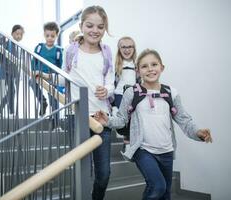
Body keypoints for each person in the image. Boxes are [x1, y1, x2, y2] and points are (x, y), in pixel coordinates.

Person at [94, 49, 212, 200]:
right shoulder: (131, 92)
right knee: (157, 186)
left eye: (154, 64)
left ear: (162, 67)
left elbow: (184, 120)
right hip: (143, 149)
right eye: (144, 66)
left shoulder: (171, 93)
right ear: (138, 71)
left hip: (167, 151)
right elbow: (122, 119)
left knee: (165, 194)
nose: (150, 69)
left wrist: (197, 132)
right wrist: (108, 120)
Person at [64, 6, 115, 200]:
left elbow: (110, 82)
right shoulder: (71, 51)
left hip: (102, 118)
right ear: (81, 26)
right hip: (78, 117)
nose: (95, 30)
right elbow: (65, 77)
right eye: (90, 25)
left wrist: (107, 90)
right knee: (83, 170)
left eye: (100, 27)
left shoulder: (107, 52)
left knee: (103, 175)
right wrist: (44, 75)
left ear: (105, 29)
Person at [29, 22, 63, 116]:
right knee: (31, 82)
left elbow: (60, 65)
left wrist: (56, 77)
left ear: (56, 35)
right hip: (38, 74)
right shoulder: (39, 47)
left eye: (52, 36)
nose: (50, 38)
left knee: (54, 99)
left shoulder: (58, 50)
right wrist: (33, 71)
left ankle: (55, 123)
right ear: (44, 35)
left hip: (51, 77)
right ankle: (42, 101)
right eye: (47, 35)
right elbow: (34, 60)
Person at [113, 36, 137, 152]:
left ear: (134, 48)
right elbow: (112, 83)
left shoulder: (137, 65)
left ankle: (129, 144)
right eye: (123, 47)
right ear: (119, 49)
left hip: (133, 95)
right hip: (119, 95)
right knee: (123, 120)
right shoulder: (116, 65)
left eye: (129, 47)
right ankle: (125, 142)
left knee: (133, 120)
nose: (127, 50)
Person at [0, 24, 24, 117]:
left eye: (21, 34)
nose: (19, 36)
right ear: (12, 34)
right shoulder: (8, 44)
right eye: (17, 34)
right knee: (12, 91)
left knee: (11, 92)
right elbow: (1, 57)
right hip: (7, 71)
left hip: (14, 72)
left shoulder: (19, 46)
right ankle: (11, 112)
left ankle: (0, 109)